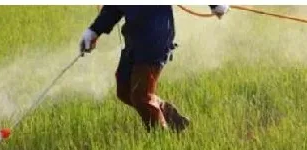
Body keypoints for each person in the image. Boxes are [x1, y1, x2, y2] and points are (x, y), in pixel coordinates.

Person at [79, 5, 229, 132]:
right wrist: (94, 31)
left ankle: (162, 142)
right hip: (134, 38)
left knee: (141, 96)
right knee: (124, 91)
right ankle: (168, 114)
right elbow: (114, 8)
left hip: (155, 38)